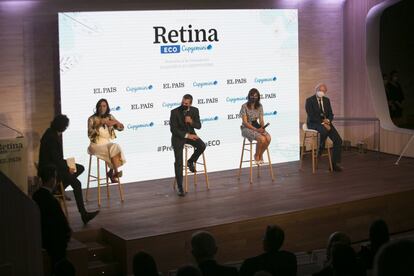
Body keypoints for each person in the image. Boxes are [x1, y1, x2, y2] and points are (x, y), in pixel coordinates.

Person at [38, 114, 99, 224]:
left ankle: (61, 187)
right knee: (77, 184)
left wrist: (67, 166)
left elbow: (56, 157)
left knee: (80, 168)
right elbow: (55, 159)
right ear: (62, 127)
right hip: (52, 170)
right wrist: (67, 168)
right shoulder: (51, 137)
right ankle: (83, 214)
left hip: (54, 165)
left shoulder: (50, 132)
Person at [32, 165, 73, 274]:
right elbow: (62, 223)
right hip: (55, 243)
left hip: (42, 240)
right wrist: (68, 234)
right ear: (51, 180)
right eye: (55, 177)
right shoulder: (51, 200)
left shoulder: (35, 196)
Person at [170, 94, 206, 197]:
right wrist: (187, 135)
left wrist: (191, 122)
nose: (184, 104)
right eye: (182, 102)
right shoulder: (174, 112)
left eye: (186, 103)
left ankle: (190, 161)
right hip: (178, 137)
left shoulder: (195, 110)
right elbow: (173, 129)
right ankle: (180, 187)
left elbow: (199, 126)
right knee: (179, 161)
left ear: (190, 103)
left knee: (202, 145)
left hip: (191, 135)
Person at [305, 83, 343, 172]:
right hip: (314, 123)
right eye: (320, 90)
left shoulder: (326, 100)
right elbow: (311, 116)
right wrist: (323, 123)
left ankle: (334, 164)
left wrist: (328, 121)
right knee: (325, 130)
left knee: (338, 140)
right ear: (316, 90)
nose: (322, 92)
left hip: (326, 123)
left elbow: (330, 114)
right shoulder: (309, 100)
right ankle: (320, 149)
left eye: (324, 91)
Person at [88, 99, 125, 183]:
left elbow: (121, 128)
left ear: (107, 107)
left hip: (106, 142)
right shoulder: (92, 119)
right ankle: (113, 173)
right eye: (100, 106)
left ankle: (113, 172)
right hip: (95, 144)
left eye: (104, 106)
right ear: (97, 107)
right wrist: (100, 124)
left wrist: (116, 122)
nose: (102, 108)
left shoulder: (110, 117)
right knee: (111, 150)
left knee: (115, 146)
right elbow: (90, 134)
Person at [240, 88, 271, 164]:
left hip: (257, 125)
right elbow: (245, 122)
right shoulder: (244, 106)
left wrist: (262, 128)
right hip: (246, 128)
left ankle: (260, 154)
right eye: (252, 96)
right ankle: (256, 155)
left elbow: (261, 120)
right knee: (262, 139)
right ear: (249, 96)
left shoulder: (260, 106)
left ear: (258, 97)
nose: (254, 98)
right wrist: (256, 130)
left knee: (268, 138)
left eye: (256, 96)